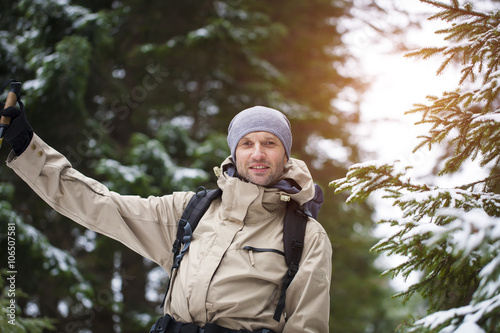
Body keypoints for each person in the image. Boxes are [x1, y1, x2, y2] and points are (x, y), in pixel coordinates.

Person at [1, 104, 332, 333]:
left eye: (269, 143)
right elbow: (100, 204)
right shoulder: (190, 211)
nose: (258, 153)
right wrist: (27, 145)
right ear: (234, 153)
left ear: (285, 154)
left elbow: (307, 325)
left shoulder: (305, 236)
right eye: (247, 143)